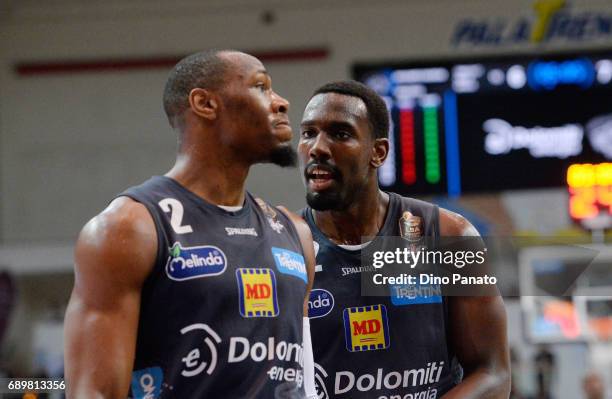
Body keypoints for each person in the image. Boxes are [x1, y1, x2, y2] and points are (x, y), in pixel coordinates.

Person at [64, 50, 317, 398]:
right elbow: (95, 391)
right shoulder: (128, 229)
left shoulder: (294, 234)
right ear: (205, 103)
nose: (281, 102)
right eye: (261, 87)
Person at [298, 80, 510, 398]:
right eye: (308, 133)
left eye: (340, 134)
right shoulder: (283, 244)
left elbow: (492, 371)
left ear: (378, 152)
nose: (317, 147)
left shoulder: (449, 235)